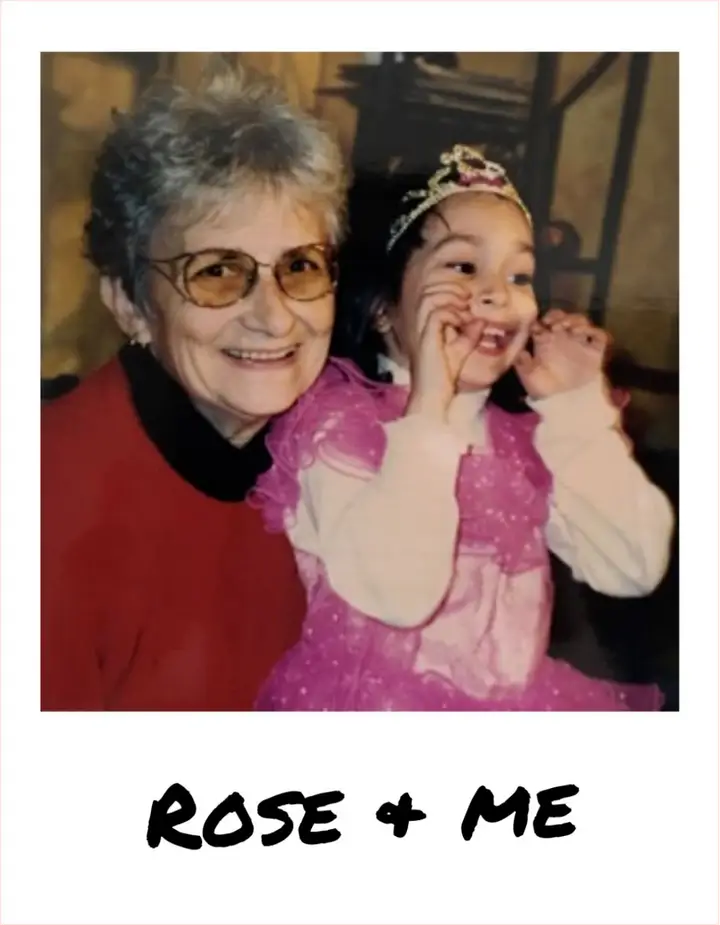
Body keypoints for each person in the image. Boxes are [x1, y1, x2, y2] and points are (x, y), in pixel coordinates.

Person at [250, 144, 674, 711]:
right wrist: (429, 408)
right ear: (382, 308)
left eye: (520, 274)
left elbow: (633, 567)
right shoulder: (340, 431)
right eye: (464, 266)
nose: (498, 292)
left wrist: (575, 410)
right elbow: (397, 593)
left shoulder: (526, 445)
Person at [41, 69, 347, 710]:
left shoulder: (323, 465)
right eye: (216, 272)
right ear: (128, 303)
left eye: (299, 266)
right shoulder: (48, 503)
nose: (275, 316)